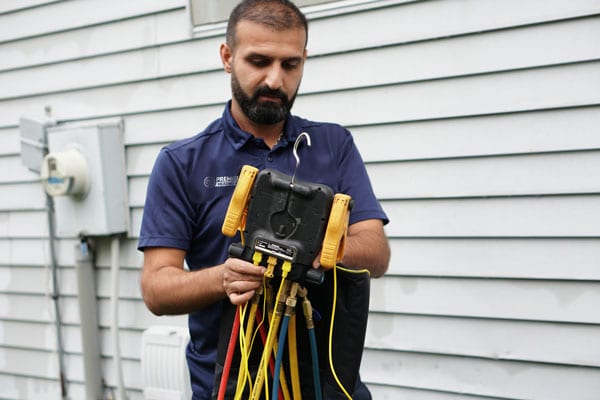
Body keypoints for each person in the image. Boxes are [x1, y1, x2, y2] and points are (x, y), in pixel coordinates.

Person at [138, 0, 390, 398]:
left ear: (304, 60)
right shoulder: (182, 163)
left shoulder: (332, 145)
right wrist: (223, 277)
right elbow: (156, 287)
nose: (275, 80)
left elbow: (376, 252)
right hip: (230, 387)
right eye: (259, 61)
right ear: (227, 56)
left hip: (330, 388)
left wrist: (313, 251)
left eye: (290, 65)